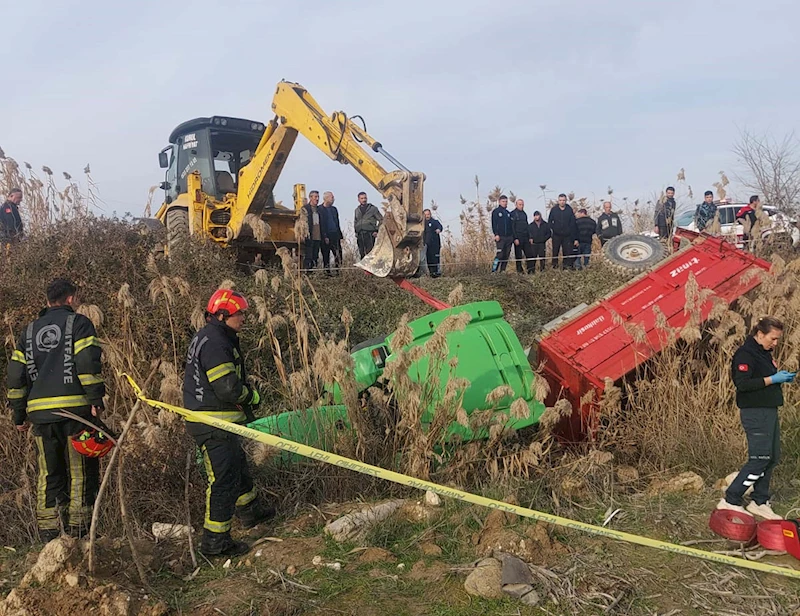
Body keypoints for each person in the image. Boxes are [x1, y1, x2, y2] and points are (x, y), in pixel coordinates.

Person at [6, 279, 105, 542]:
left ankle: (50, 537)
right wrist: (95, 400)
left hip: (40, 416)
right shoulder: (79, 324)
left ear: (48, 300)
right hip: (74, 413)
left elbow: (16, 376)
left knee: (49, 473)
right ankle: (79, 534)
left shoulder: (28, 332)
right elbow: (87, 362)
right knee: (80, 471)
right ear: (71, 299)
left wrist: (18, 414)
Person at [183, 290, 275, 556]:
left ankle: (251, 513)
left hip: (218, 420)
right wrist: (252, 396)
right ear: (222, 316)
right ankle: (215, 541)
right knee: (222, 480)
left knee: (237, 468)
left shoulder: (212, 336)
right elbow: (227, 388)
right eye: (239, 314)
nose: (244, 318)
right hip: (213, 423)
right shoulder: (215, 342)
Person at [718, 317, 794, 521]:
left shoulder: (764, 353)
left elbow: (762, 379)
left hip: (769, 410)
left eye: (778, 339)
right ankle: (731, 499)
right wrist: (772, 379)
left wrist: (782, 377)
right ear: (760, 334)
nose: (775, 343)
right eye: (773, 338)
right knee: (759, 459)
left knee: (772, 457)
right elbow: (742, 384)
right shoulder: (745, 354)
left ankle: (759, 501)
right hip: (755, 412)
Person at [548, 194, 578, 269]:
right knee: (555, 251)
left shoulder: (569, 209)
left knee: (567, 252)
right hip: (556, 235)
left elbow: (573, 224)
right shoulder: (554, 210)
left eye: (563, 200)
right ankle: (554, 267)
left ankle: (566, 267)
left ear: (566, 201)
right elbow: (549, 221)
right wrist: (553, 229)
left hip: (567, 235)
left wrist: (573, 236)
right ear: (558, 201)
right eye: (560, 200)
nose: (562, 202)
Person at [354, 192, 383, 259]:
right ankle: (363, 269)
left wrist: (376, 230)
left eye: (365, 198)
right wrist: (356, 232)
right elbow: (355, 221)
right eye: (362, 198)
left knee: (370, 253)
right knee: (362, 254)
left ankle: (369, 269)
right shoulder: (357, 210)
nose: (364, 200)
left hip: (369, 234)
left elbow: (381, 220)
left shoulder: (373, 209)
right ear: (358, 199)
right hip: (360, 235)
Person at [320, 191, 342, 276]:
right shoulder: (320, 209)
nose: (333, 199)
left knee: (338, 254)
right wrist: (324, 236)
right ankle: (327, 273)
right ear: (326, 198)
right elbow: (321, 224)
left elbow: (337, 222)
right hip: (326, 235)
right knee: (326, 255)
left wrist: (339, 235)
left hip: (335, 235)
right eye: (332, 197)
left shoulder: (334, 209)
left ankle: (338, 272)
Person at [509, 198, 533, 274]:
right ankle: (520, 271)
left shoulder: (524, 214)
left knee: (530, 254)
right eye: (520, 204)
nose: (521, 206)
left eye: (522, 204)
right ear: (516, 205)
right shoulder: (513, 213)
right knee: (518, 256)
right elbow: (512, 227)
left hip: (525, 237)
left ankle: (531, 270)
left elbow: (527, 226)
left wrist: (530, 237)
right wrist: (515, 238)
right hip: (518, 238)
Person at [491, 195, 513, 273]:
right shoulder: (496, 212)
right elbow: (494, 224)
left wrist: (512, 236)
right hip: (500, 237)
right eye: (503, 201)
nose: (505, 203)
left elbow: (511, 225)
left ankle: (502, 270)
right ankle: (494, 270)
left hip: (509, 237)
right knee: (500, 254)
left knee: (506, 255)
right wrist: (496, 234)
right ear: (499, 202)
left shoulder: (508, 213)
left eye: (506, 201)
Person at [301, 191, 322, 270]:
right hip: (309, 237)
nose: (317, 199)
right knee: (308, 256)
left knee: (315, 257)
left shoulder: (319, 209)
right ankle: (307, 272)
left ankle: (314, 272)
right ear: (310, 198)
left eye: (318, 197)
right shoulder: (305, 208)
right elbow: (302, 223)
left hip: (318, 237)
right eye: (315, 197)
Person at [423, 209, 443, 277]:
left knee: (435, 258)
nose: (427, 216)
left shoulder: (435, 222)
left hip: (435, 244)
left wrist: (438, 229)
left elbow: (440, 227)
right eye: (425, 215)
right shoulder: (422, 224)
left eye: (428, 214)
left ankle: (436, 272)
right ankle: (430, 273)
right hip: (426, 244)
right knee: (428, 258)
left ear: (430, 214)